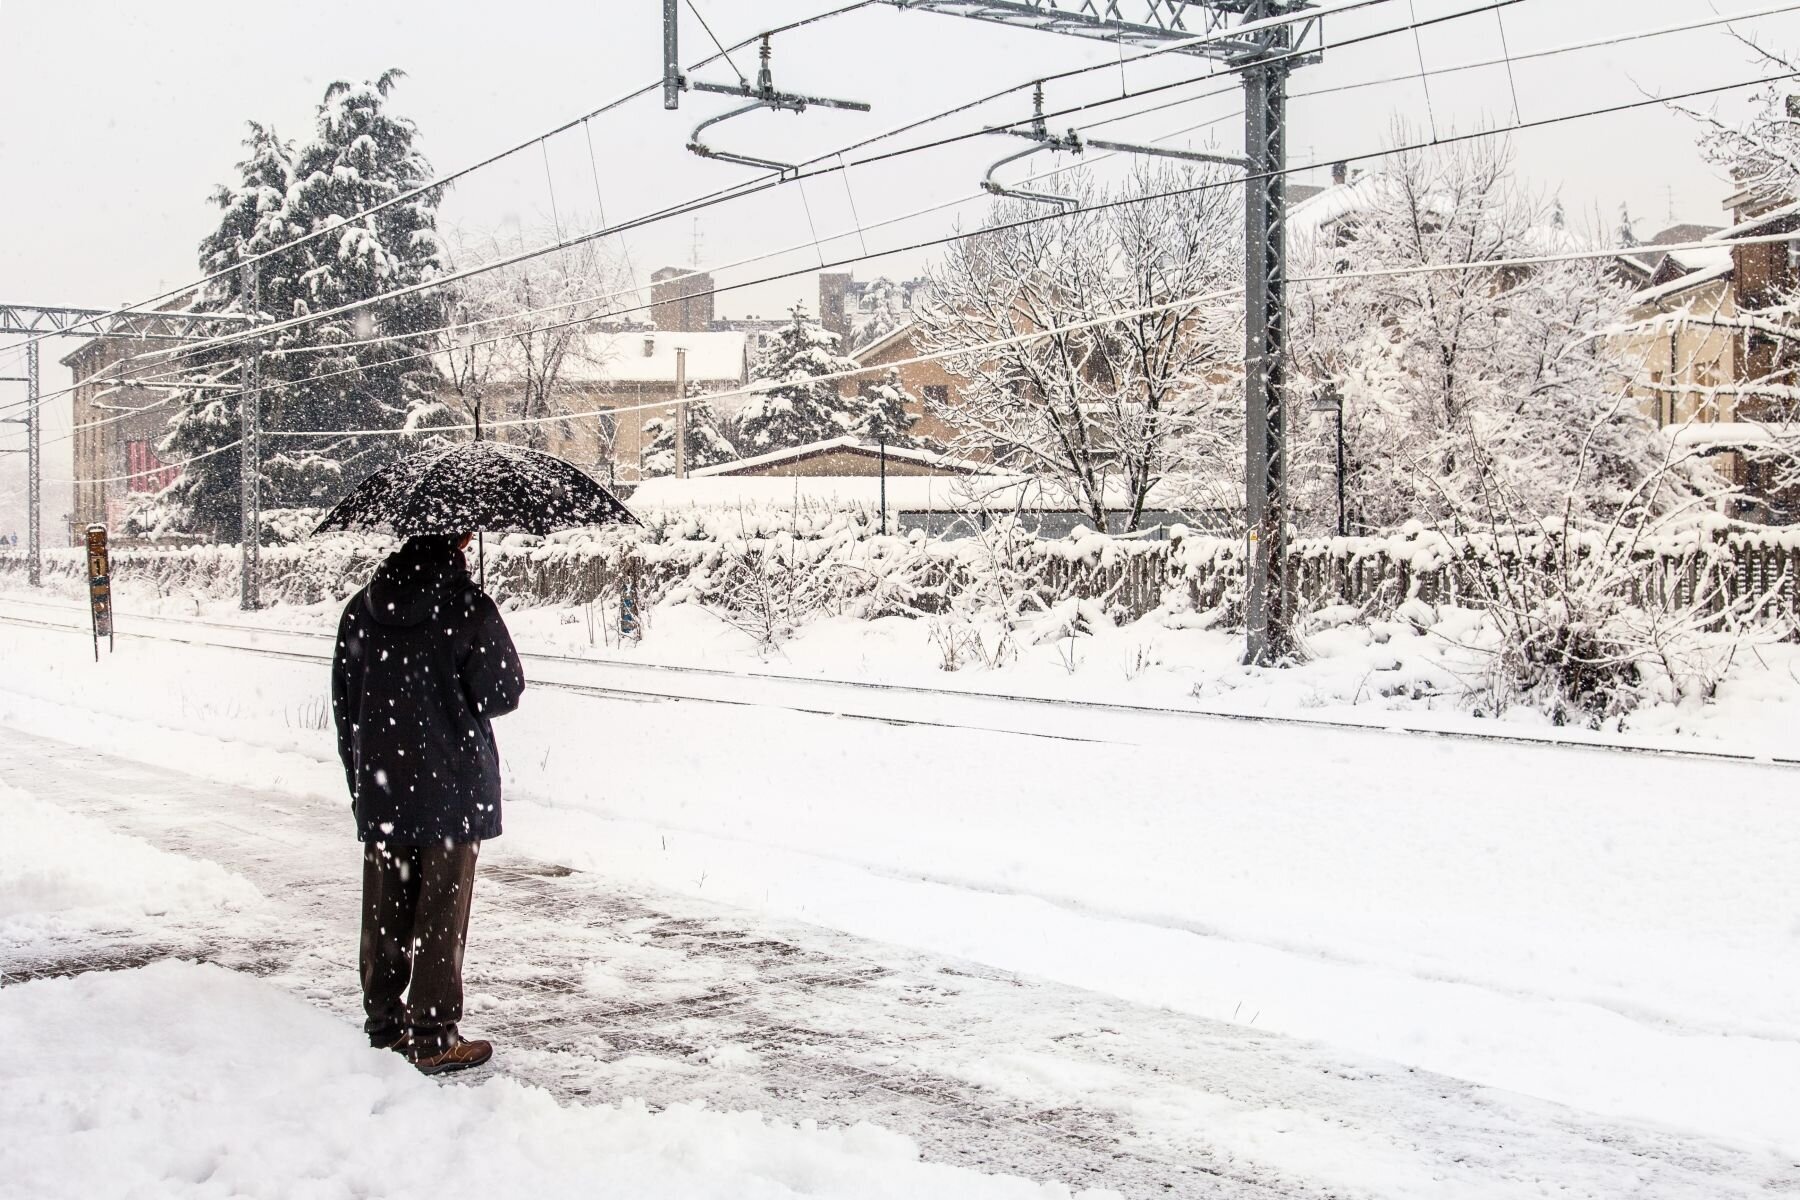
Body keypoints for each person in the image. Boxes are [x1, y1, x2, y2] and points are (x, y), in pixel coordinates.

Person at [331, 532, 524, 1075]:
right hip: (451, 787)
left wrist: (362, 779)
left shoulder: (362, 608)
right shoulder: (468, 607)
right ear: (461, 540)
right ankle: (433, 1035)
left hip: (384, 783)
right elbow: (503, 692)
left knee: (385, 907)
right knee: (441, 911)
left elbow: (344, 702)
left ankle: (384, 1024)